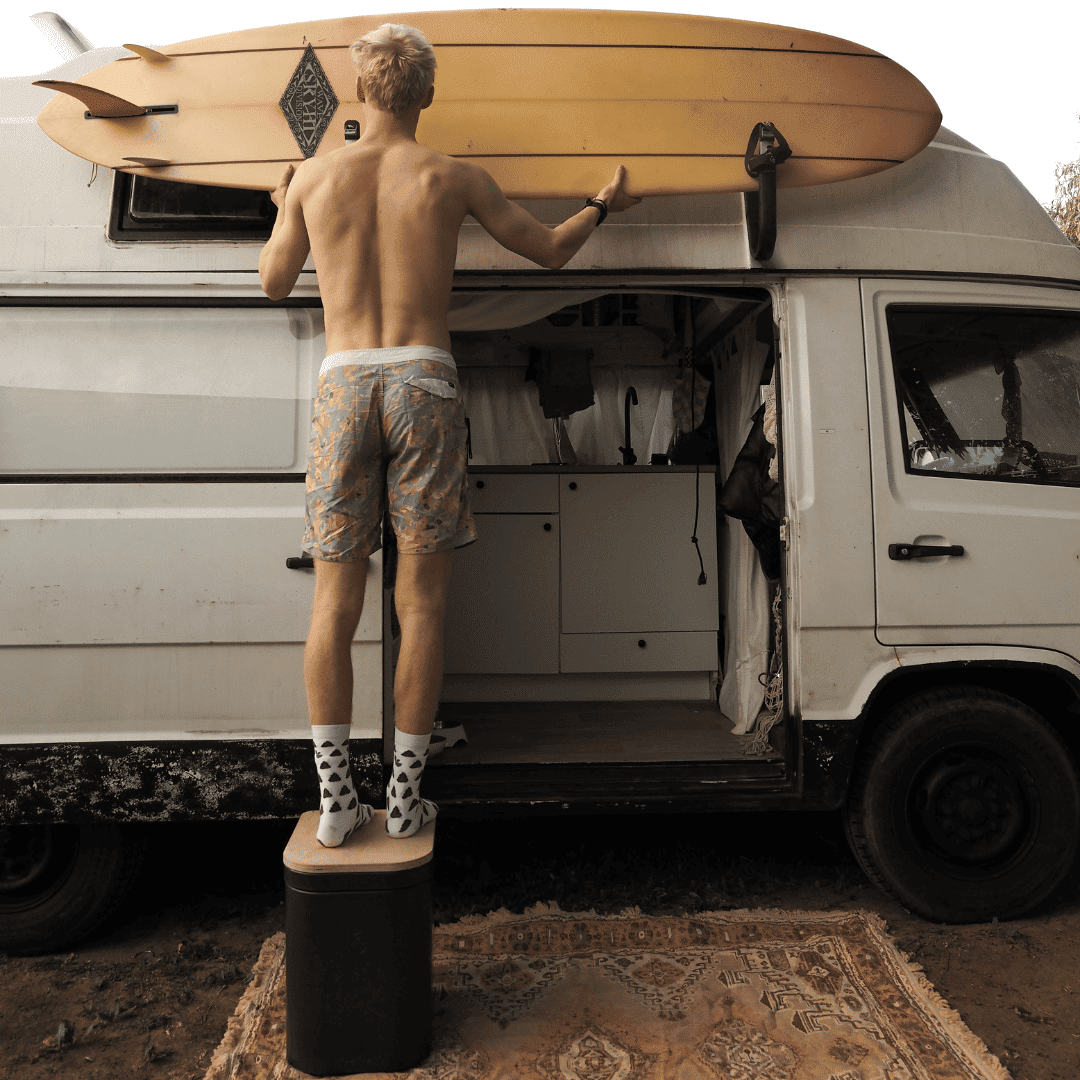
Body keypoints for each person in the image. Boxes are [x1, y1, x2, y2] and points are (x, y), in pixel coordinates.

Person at [258, 22, 641, 847]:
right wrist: (604, 203)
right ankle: (402, 799)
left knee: (334, 601)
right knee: (421, 603)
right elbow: (548, 253)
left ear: (361, 92)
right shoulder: (453, 177)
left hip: (344, 380)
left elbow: (272, 279)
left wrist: (280, 199)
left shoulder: (315, 179)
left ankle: (335, 803)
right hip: (425, 380)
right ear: (428, 94)